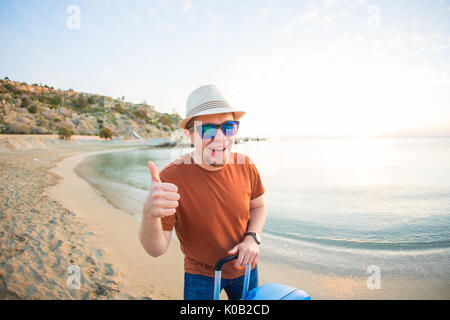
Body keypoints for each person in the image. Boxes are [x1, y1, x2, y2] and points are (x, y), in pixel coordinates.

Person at [139, 84, 267, 300]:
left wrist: (252, 238)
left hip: (246, 267)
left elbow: (259, 205)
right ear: (189, 135)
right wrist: (149, 214)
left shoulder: (246, 165)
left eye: (228, 127)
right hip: (201, 276)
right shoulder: (170, 179)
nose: (220, 138)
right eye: (207, 129)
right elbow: (156, 249)